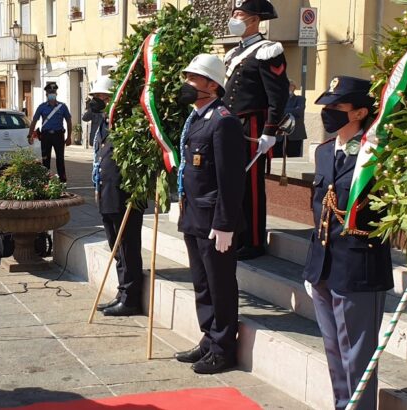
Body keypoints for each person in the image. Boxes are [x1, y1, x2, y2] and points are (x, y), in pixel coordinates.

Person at [303, 76, 393, 410]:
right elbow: (319, 211)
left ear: (359, 113)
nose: (328, 113)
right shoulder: (326, 151)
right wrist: (312, 266)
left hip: (359, 269)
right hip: (324, 267)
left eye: (336, 107)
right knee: (334, 352)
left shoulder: (378, 152)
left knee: (358, 357)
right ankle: (343, 405)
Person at [174, 54, 246, 374]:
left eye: (194, 78)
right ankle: (209, 337)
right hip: (194, 216)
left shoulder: (223, 120)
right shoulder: (197, 119)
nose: (187, 84)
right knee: (202, 284)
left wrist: (225, 224)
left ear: (212, 85)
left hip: (214, 221)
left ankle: (223, 347)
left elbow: (230, 179)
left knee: (220, 285)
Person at [223, 0, 290, 260]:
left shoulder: (269, 51)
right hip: (232, 125)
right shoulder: (234, 52)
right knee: (233, 183)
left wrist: (269, 131)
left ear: (254, 19)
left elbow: (277, 96)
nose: (235, 19)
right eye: (234, 14)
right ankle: (239, 235)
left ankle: (253, 241)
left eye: (240, 14)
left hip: (251, 126)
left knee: (250, 186)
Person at [90, 76, 144, 317]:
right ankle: (122, 292)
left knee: (127, 247)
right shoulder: (102, 122)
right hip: (107, 192)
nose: (98, 102)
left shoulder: (126, 124)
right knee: (115, 246)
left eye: (102, 98)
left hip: (124, 194)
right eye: (96, 98)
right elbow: (99, 158)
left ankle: (131, 298)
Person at [27, 83, 72, 182]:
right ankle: (45, 180)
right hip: (46, 136)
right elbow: (34, 121)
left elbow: (68, 121)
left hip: (58, 135)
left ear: (56, 93)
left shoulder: (62, 107)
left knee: (60, 159)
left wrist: (69, 137)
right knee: (45, 159)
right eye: (50, 92)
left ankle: (62, 180)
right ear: (46, 94)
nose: (52, 94)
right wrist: (30, 135)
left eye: (53, 92)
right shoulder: (42, 107)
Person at [272, 80, 307, 159]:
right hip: (278, 134)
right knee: (276, 159)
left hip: (295, 135)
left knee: (294, 158)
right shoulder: (277, 99)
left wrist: (282, 110)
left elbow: (299, 112)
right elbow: (274, 111)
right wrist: (290, 110)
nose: (287, 87)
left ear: (294, 87)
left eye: (289, 85)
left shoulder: (300, 99)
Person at [83, 77, 113, 147]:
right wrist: (91, 108)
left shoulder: (113, 108)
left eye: (98, 95)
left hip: (108, 143)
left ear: (107, 95)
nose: (96, 97)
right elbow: (85, 118)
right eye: (95, 95)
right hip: (96, 142)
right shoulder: (94, 110)